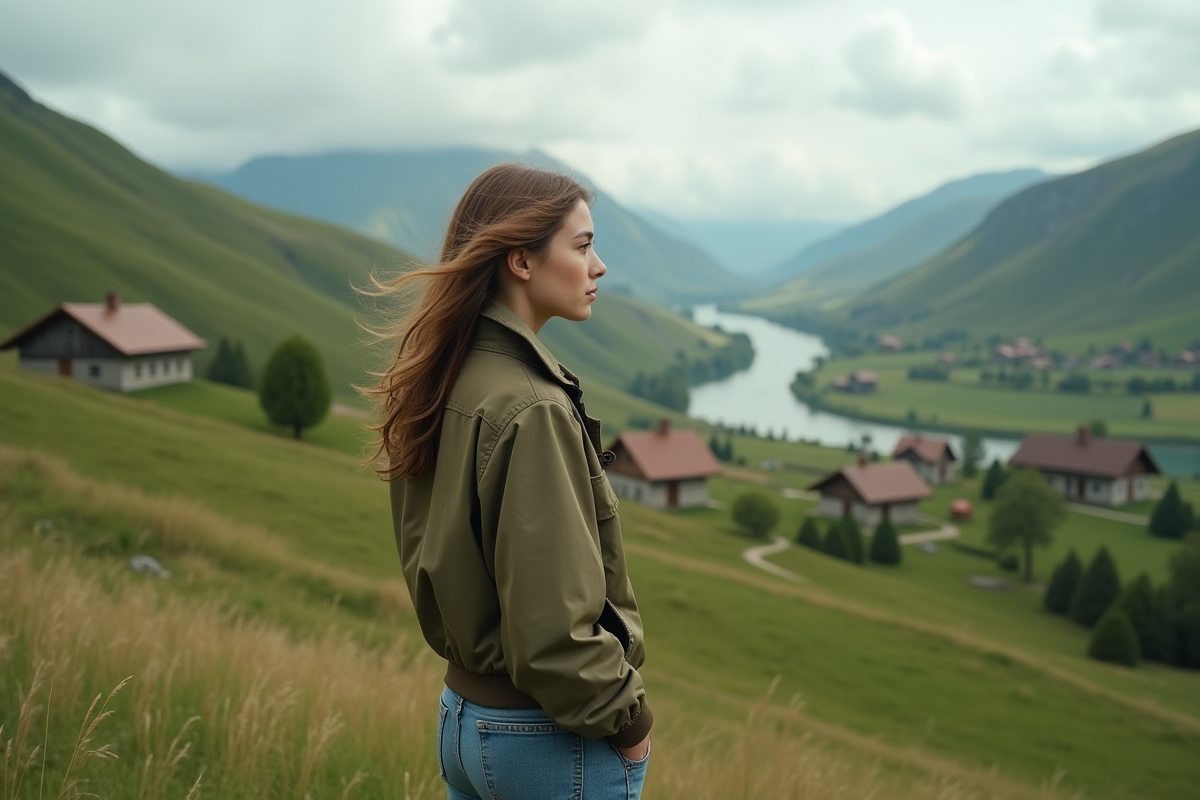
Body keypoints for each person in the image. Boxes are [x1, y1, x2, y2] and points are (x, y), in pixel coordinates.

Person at [366, 163, 652, 800]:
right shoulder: (533, 407)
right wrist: (632, 722)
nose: (598, 265)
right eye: (581, 246)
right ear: (521, 260)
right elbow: (554, 631)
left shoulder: (445, 377)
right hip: (547, 741)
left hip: (464, 720)